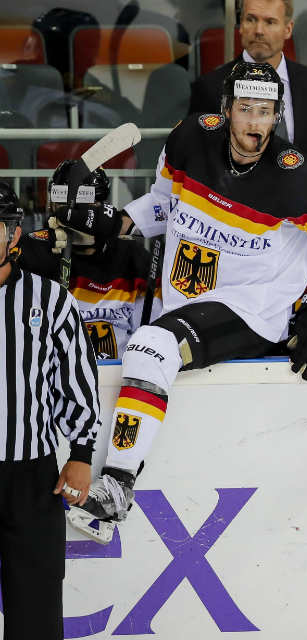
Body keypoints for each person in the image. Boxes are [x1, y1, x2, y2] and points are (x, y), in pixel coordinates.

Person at [64, 61, 307, 544]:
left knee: (149, 345)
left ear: (278, 116)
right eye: (245, 109)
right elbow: (168, 203)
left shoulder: (299, 177)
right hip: (188, 302)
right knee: (155, 345)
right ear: (226, 109)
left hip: (254, 308)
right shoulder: (189, 138)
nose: (255, 124)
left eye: (266, 112)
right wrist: (117, 223)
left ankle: (118, 485)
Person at [0, 182, 99, 640]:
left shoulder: (50, 299)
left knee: (37, 604)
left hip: (31, 475)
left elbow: (76, 378)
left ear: (13, 235)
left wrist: (80, 453)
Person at [188, 0, 307, 201]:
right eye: (251, 19)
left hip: (304, 218)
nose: (258, 30)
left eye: (270, 22)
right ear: (240, 25)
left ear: (288, 29)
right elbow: (198, 163)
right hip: (237, 219)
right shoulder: (210, 88)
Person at [18, 163, 161, 359]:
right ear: (52, 204)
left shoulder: (132, 258)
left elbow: (152, 337)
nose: (74, 214)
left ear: (103, 207)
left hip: (116, 375)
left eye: (84, 206)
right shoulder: (32, 249)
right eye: (64, 204)